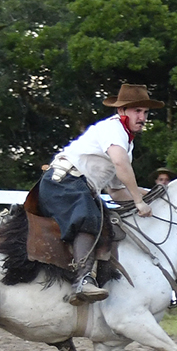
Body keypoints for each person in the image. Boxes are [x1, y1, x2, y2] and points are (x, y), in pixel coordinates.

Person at [39, 83, 158, 304]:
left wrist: (156, 195)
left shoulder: (124, 142)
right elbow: (121, 164)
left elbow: (116, 191)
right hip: (64, 182)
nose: (142, 117)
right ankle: (83, 280)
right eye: (137, 111)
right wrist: (140, 201)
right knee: (88, 217)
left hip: (77, 186)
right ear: (122, 111)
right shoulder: (114, 130)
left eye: (145, 112)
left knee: (105, 221)